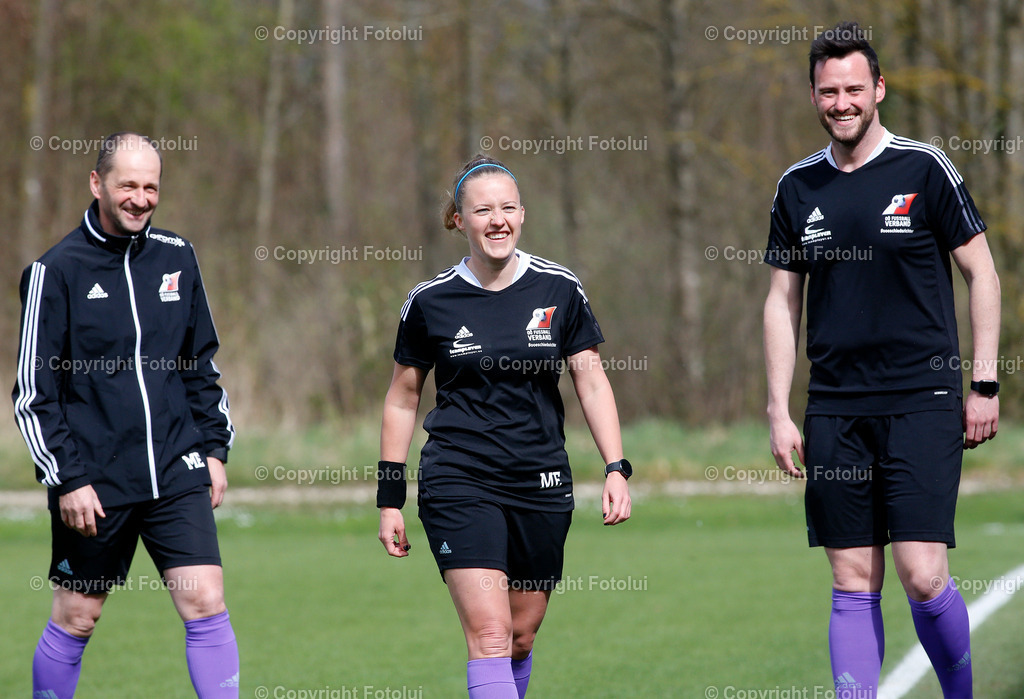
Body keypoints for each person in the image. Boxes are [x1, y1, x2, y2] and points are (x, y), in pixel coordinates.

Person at [764, 21, 1001, 699]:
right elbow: (781, 301)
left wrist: (983, 381)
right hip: (835, 408)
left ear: (879, 90)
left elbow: (982, 274)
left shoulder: (924, 168)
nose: (841, 102)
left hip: (922, 400)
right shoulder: (796, 187)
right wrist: (778, 408)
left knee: (923, 574)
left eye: (853, 89)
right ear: (813, 95)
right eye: (828, 90)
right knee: (850, 580)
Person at [376, 154, 632, 698]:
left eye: (508, 208)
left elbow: (591, 381)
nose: (498, 220)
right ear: (459, 220)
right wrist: (389, 495)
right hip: (458, 479)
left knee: (519, 636)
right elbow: (402, 398)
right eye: (483, 209)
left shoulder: (558, 288)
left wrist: (616, 467)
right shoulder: (430, 301)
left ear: (523, 215)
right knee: (489, 635)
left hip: (540, 481)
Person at [13, 132, 239, 698]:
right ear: (97, 184)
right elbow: (32, 394)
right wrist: (67, 479)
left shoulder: (177, 257)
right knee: (77, 617)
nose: (140, 199)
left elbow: (199, 366)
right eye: (128, 186)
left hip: (175, 467)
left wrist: (213, 449)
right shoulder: (56, 271)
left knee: (206, 601)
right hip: (95, 484)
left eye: (151, 187)